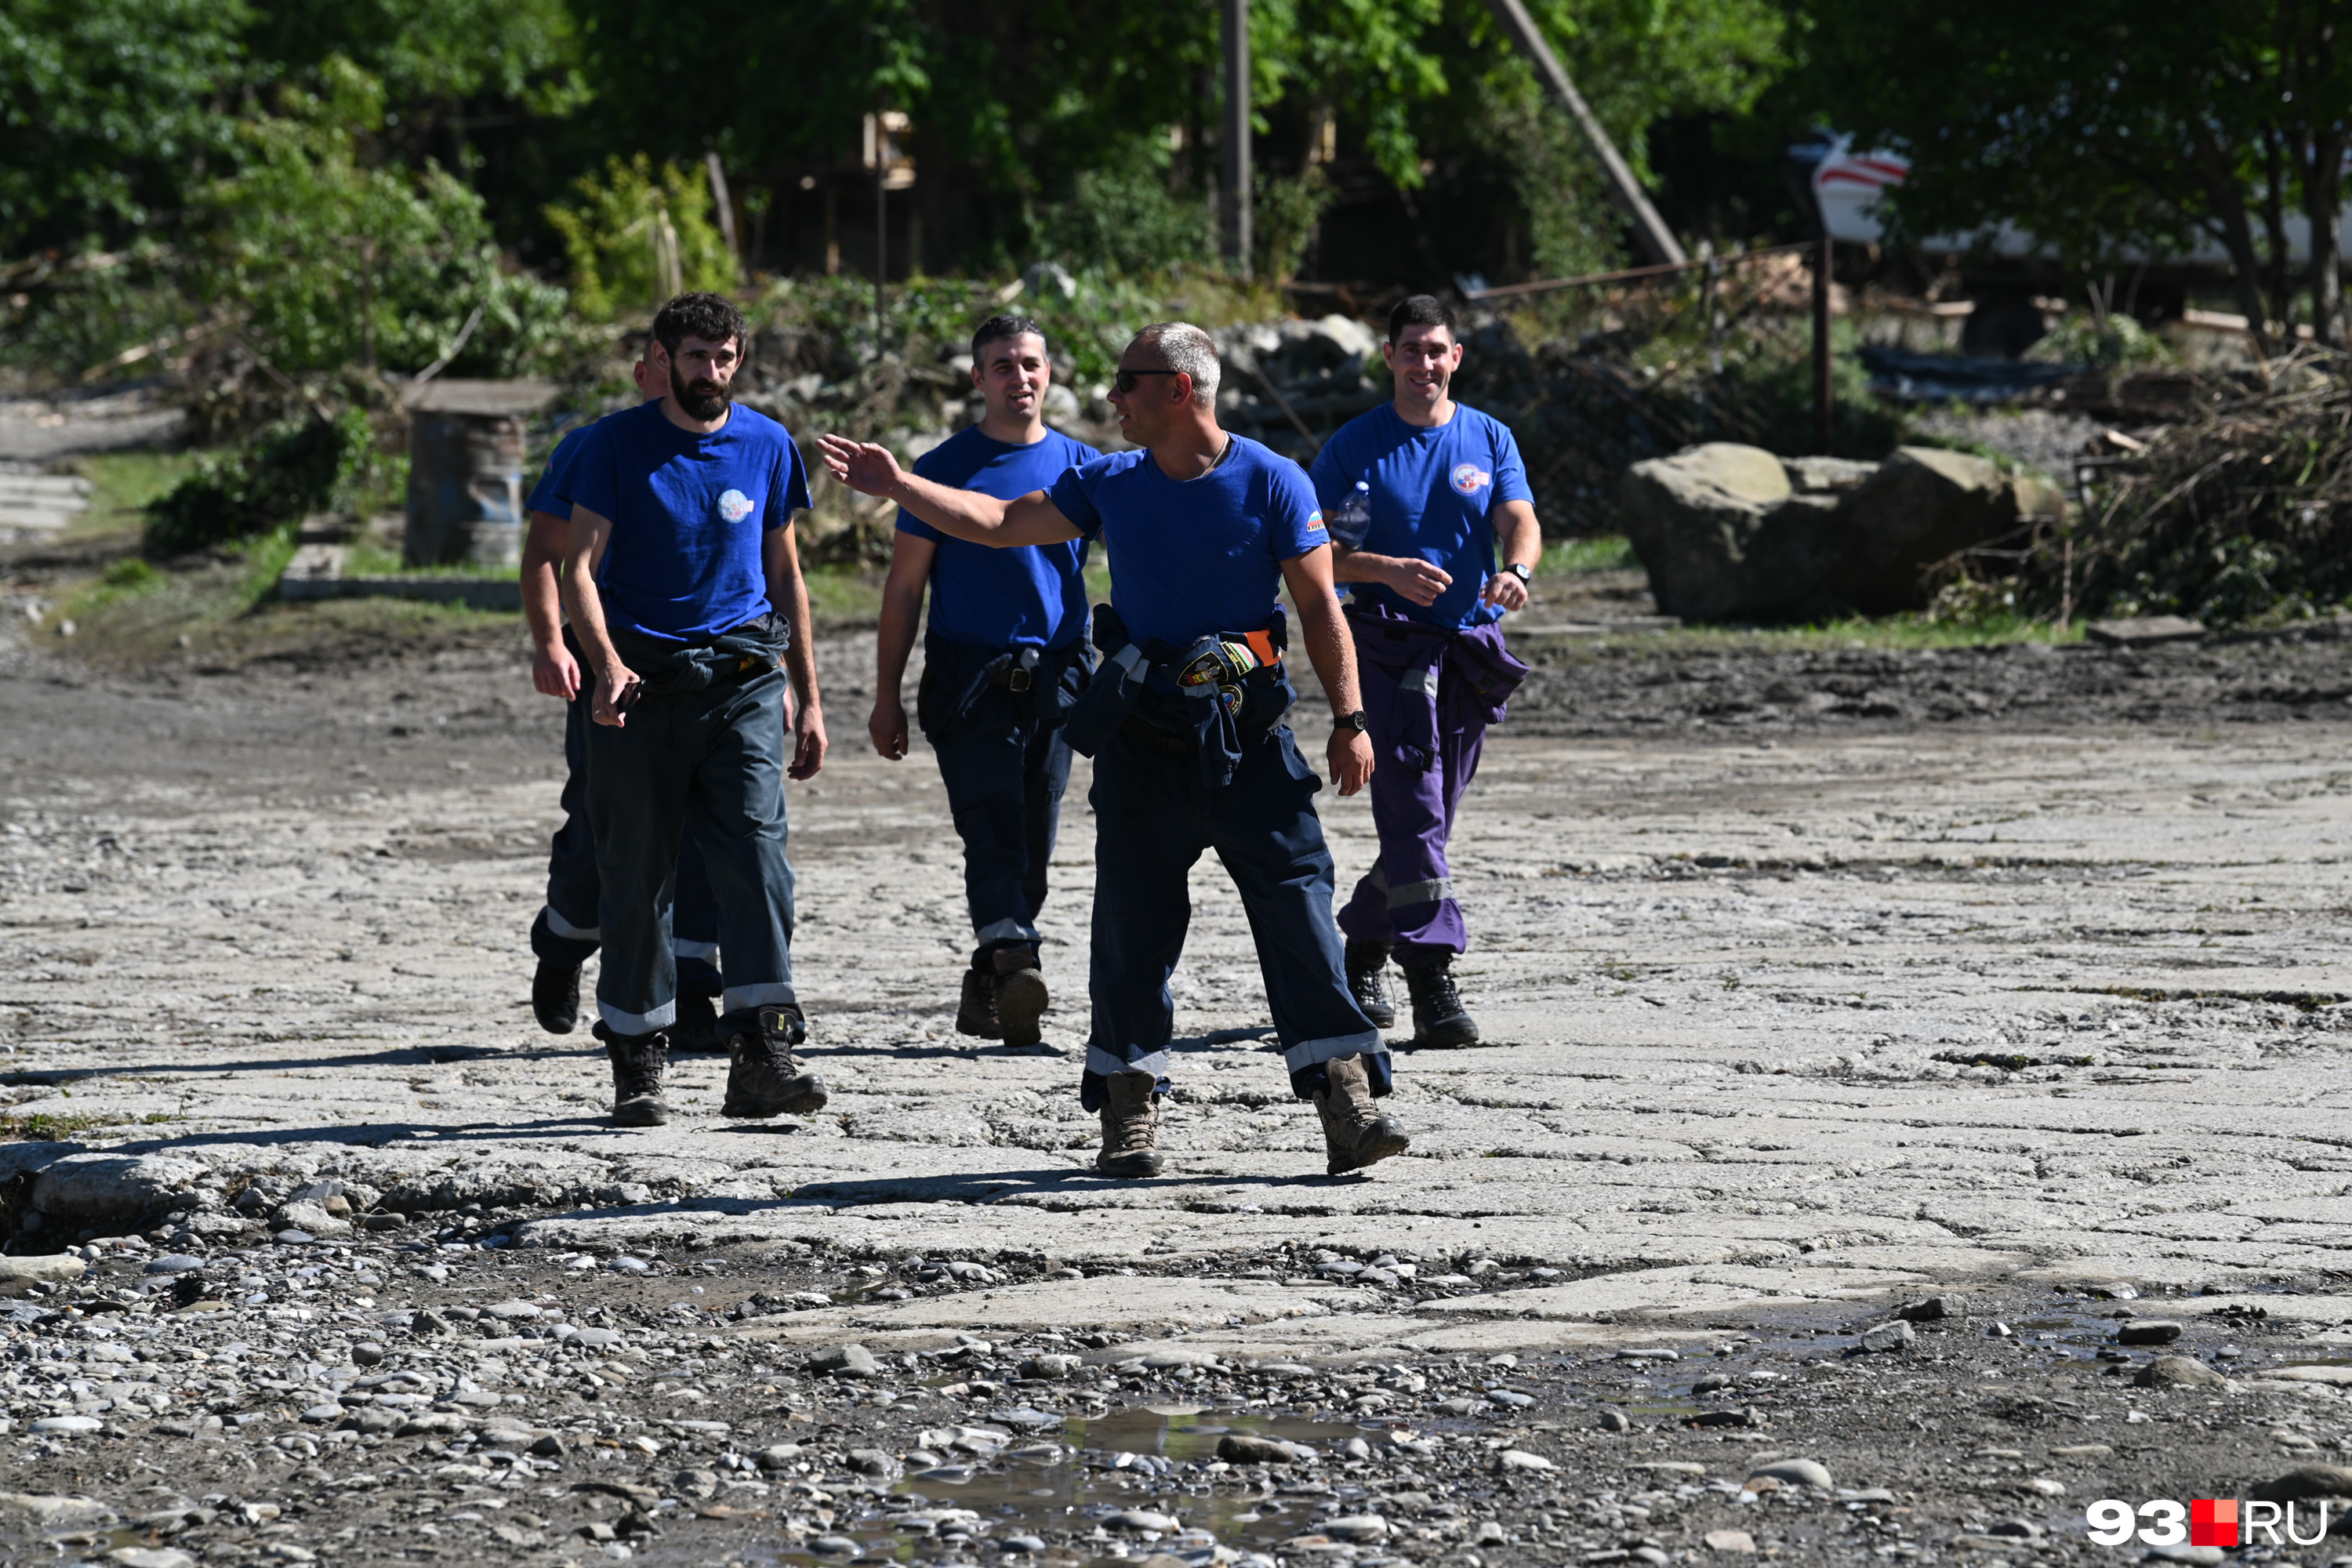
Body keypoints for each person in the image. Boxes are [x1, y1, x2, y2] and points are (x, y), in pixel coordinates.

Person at [822, 322, 1410, 1181]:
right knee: (1131, 931)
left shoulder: (1275, 480)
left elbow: (1320, 607)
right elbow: (992, 522)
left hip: (1250, 744)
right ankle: (1128, 1109)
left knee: (1300, 915)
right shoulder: (1110, 482)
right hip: (1144, 745)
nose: (1111, 400)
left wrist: (1351, 718)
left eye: (1125, 383)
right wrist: (900, 483)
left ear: (1178, 389)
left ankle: (1346, 1100)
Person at [563, 291, 829, 1128]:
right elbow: (577, 567)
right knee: (637, 874)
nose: (709, 372)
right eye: (693, 357)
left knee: (758, 857)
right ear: (663, 357)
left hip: (743, 680)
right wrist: (602, 665)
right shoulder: (614, 445)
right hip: (640, 685)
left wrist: (812, 695)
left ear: (740, 359)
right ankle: (638, 1055)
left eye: (723, 357)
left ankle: (762, 1051)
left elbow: (786, 575)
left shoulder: (767, 444)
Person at [1309, 294, 1539, 1048]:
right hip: (1385, 646)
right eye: (1411, 350)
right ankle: (1432, 977)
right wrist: (1385, 570)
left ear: (1456, 358)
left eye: (1437, 350)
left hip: (1468, 648)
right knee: (1414, 808)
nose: (1425, 364)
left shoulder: (1489, 436)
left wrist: (1517, 571)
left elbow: (1518, 519)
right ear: (1389, 357)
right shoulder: (1354, 447)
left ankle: (1364, 942)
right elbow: (1317, 559)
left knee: (1428, 820)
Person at [867, 315, 1098, 1047]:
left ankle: (988, 983)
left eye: (1031, 363)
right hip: (970, 677)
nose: (1019, 377)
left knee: (1033, 842)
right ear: (979, 379)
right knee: (990, 826)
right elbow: (904, 590)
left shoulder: (1085, 468)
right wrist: (886, 696)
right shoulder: (937, 468)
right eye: (1003, 366)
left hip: (1058, 679)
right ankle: (1017, 958)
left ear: (1049, 374)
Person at [520, 347, 727, 1049]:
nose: (690, 377)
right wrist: (553, 643)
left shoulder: (732, 443)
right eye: (671, 364)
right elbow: (547, 552)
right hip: (615, 667)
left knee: (706, 820)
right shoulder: (594, 447)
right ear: (644, 373)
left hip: (710, 673)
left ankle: (693, 981)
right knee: (599, 820)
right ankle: (564, 938)